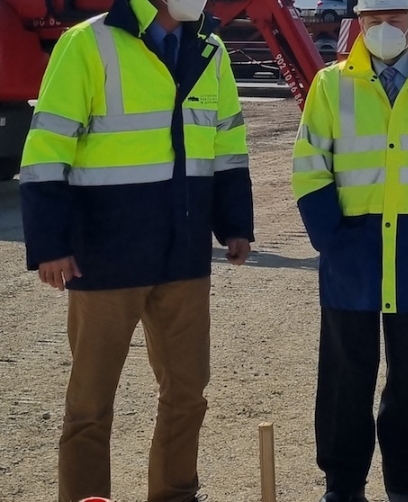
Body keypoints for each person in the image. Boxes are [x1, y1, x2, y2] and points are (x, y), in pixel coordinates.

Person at [18, 0, 253, 501]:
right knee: (90, 404)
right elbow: (46, 150)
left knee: (187, 396)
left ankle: (174, 495)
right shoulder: (88, 43)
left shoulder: (210, 49)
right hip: (104, 255)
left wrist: (235, 224)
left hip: (183, 255)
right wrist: (50, 244)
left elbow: (228, 141)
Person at [290, 0, 408, 500]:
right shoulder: (331, 85)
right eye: (374, 21)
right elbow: (310, 162)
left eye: (395, 20)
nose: (384, 30)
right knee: (345, 374)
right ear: (359, 23)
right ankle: (344, 482)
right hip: (352, 248)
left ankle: (406, 476)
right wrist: (331, 237)